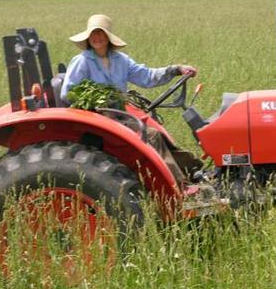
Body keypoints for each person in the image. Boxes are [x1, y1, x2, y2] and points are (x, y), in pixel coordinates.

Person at [61, 13, 200, 184]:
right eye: (93, 34)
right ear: (88, 38)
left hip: (118, 115)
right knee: (151, 136)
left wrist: (176, 69)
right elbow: (68, 93)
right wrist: (98, 100)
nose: (96, 38)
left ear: (108, 37)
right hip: (97, 117)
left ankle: (193, 172)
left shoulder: (121, 60)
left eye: (100, 33)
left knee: (157, 134)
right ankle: (179, 184)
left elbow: (147, 77)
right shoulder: (82, 61)